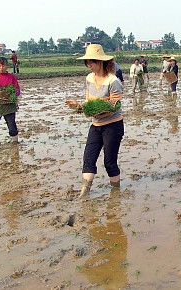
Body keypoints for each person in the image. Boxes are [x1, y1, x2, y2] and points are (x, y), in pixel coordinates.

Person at [65, 44, 124, 200]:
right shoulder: (89, 78)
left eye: (92, 62)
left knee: (109, 162)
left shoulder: (113, 81)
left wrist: (99, 108)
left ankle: (116, 194)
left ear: (101, 62)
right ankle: (84, 194)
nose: (89, 65)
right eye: (87, 62)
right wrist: (77, 106)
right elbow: (88, 102)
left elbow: (115, 105)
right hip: (96, 125)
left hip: (113, 125)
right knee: (88, 158)